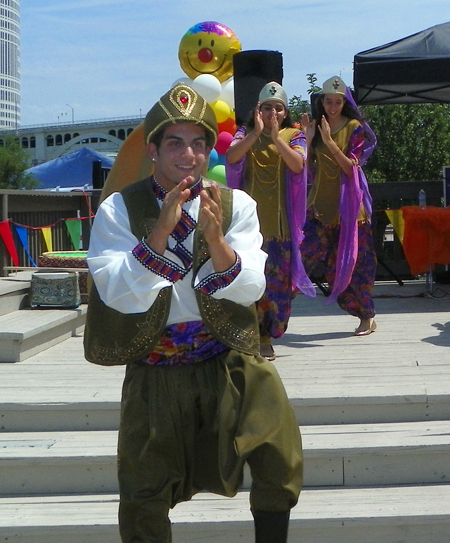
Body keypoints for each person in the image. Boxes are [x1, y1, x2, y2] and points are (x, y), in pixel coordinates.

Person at [83, 83, 303, 543]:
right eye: (176, 143)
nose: (189, 155)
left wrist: (217, 241)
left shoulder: (234, 204)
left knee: (277, 448)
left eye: (199, 144)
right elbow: (116, 291)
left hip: (225, 355)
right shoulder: (118, 210)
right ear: (154, 150)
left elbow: (251, 286)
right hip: (154, 366)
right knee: (143, 491)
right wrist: (159, 234)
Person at [226, 81, 314, 361]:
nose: (272, 113)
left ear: (285, 112)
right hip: (250, 229)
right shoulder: (246, 133)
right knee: (249, 280)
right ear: (258, 111)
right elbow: (232, 156)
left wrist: (277, 138)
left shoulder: (293, 135)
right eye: (267, 108)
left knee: (276, 287)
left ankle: (267, 336)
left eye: (278, 108)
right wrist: (258, 133)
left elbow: (299, 165)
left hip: (280, 227)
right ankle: (253, 336)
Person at [300, 75, 377, 336]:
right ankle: (270, 315)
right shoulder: (317, 125)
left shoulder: (354, 127)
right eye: (328, 102)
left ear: (345, 103)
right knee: (300, 256)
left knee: (358, 264)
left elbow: (350, 168)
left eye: (338, 102)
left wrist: (331, 144)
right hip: (320, 205)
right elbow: (306, 169)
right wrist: (309, 140)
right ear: (322, 102)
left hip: (351, 209)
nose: (332, 107)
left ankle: (367, 317)